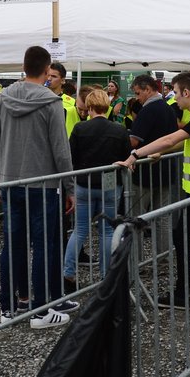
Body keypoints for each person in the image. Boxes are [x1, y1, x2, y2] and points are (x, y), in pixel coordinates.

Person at [118, 71, 190, 311]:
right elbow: (183, 141)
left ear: (187, 93)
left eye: (176, 93)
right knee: (183, 238)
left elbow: (169, 139)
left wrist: (135, 154)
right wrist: (160, 153)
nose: (174, 98)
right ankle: (183, 292)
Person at [0, 46, 78, 329]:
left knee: (12, 245)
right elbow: (61, 151)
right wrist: (70, 186)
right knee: (44, 245)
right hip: (43, 184)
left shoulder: (4, 97)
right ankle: (41, 311)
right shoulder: (51, 102)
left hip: (11, 181)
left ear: (24, 66)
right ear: (46, 69)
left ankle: (10, 307)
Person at [63, 88, 130, 285]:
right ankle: (105, 275)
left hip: (84, 183)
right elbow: (126, 156)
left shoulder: (79, 128)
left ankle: (68, 273)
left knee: (80, 229)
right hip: (110, 184)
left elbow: (71, 158)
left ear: (90, 106)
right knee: (107, 231)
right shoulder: (119, 129)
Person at [126, 74, 179, 251]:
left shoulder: (147, 110)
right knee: (162, 217)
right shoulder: (168, 108)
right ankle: (163, 260)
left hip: (145, 173)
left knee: (137, 218)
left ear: (148, 89)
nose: (137, 98)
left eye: (138, 93)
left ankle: (136, 261)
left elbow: (134, 141)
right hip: (165, 169)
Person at [45, 62, 80, 137]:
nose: (49, 79)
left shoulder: (72, 102)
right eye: (47, 75)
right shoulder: (39, 99)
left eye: (54, 76)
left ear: (63, 80)